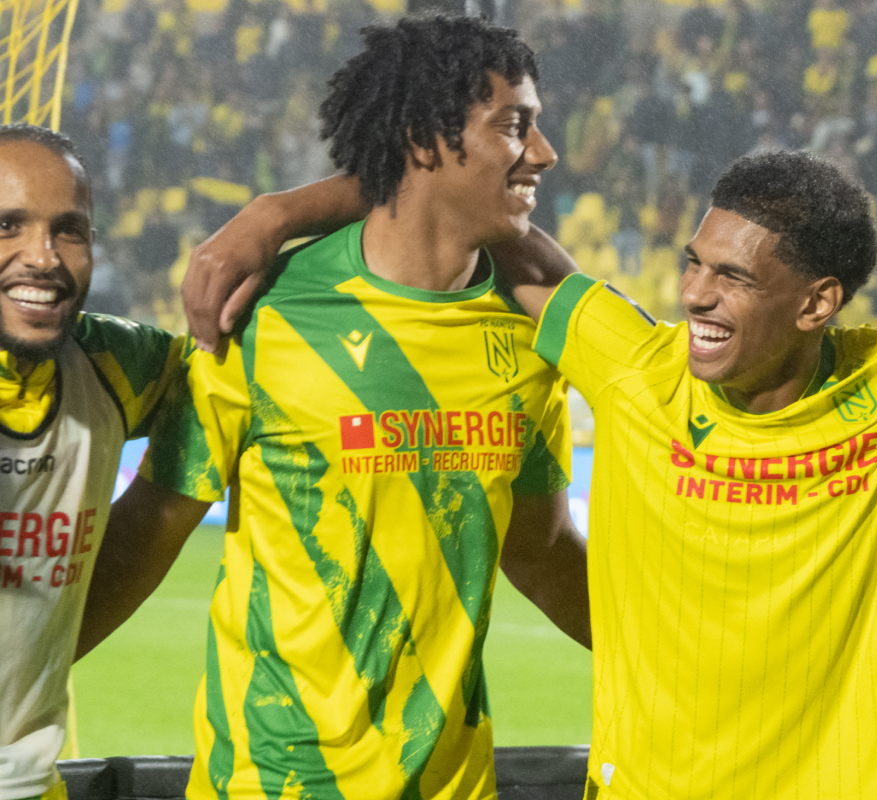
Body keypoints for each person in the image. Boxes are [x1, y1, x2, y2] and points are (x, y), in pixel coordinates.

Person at [187, 152, 877, 799]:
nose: (696, 296)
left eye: (732, 279)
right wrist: (281, 212)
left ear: (817, 303)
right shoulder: (635, 362)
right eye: (695, 266)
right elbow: (485, 221)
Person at [75, 15, 590, 799]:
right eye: (516, 125)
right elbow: (154, 522)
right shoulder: (264, 314)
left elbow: (543, 547)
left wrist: (685, 663)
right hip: (275, 784)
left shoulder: (529, 335)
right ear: (423, 137)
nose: (545, 153)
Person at [0, 125, 188, 800]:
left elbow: (238, 368)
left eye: (69, 229)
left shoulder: (117, 366)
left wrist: (276, 216)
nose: (41, 256)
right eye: (7, 226)